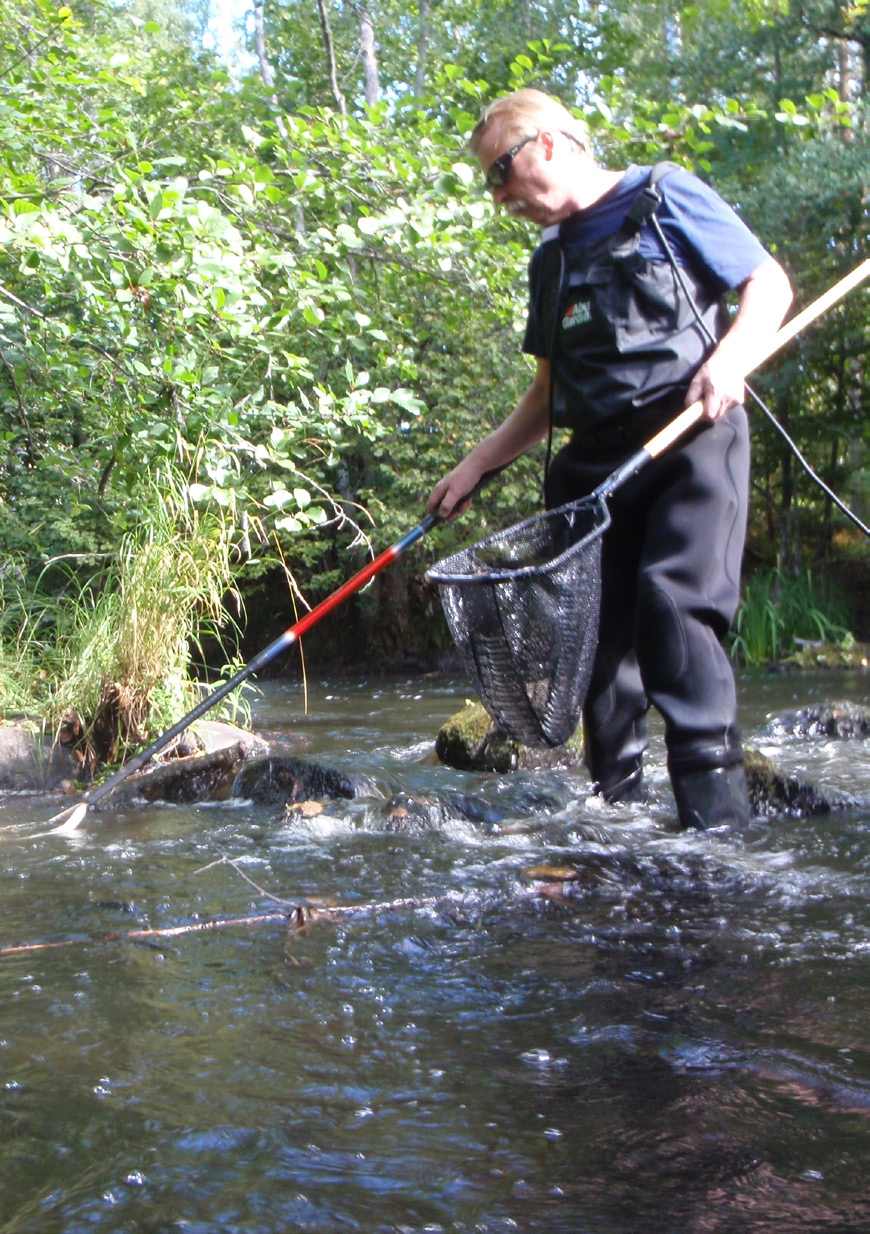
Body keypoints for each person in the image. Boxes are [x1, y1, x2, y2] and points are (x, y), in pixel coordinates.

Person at [427, 88, 793, 831]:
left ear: (551, 145)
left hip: (691, 441)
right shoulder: (550, 263)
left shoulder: (666, 197)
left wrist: (731, 360)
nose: (498, 197)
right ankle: (613, 821)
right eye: (488, 184)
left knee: (672, 609)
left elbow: (769, 286)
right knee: (592, 645)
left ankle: (714, 828)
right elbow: (545, 396)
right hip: (591, 473)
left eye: (501, 172)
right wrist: (475, 465)